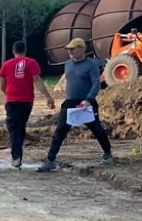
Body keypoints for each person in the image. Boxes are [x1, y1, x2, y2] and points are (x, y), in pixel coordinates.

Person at [37, 38, 114, 173]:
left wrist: (88, 99)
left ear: (81, 49)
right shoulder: (68, 65)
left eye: (73, 49)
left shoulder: (91, 65)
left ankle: (107, 153)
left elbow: (96, 84)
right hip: (70, 103)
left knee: (96, 129)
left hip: (86, 102)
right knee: (60, 131)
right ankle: (50, 160)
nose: (70, 52)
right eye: (69, 50)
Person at [0, 40, 55, 168]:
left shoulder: (6, 65)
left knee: (13, 128)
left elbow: (2, 85)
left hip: (11, 100)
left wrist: (8, 94)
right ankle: (18, 153)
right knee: (21, 126)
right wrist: (48, 97)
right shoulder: (31, 63)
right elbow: (37, 80)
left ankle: (16, 157)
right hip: (27, 101)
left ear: (13, 51)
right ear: (25, 51)